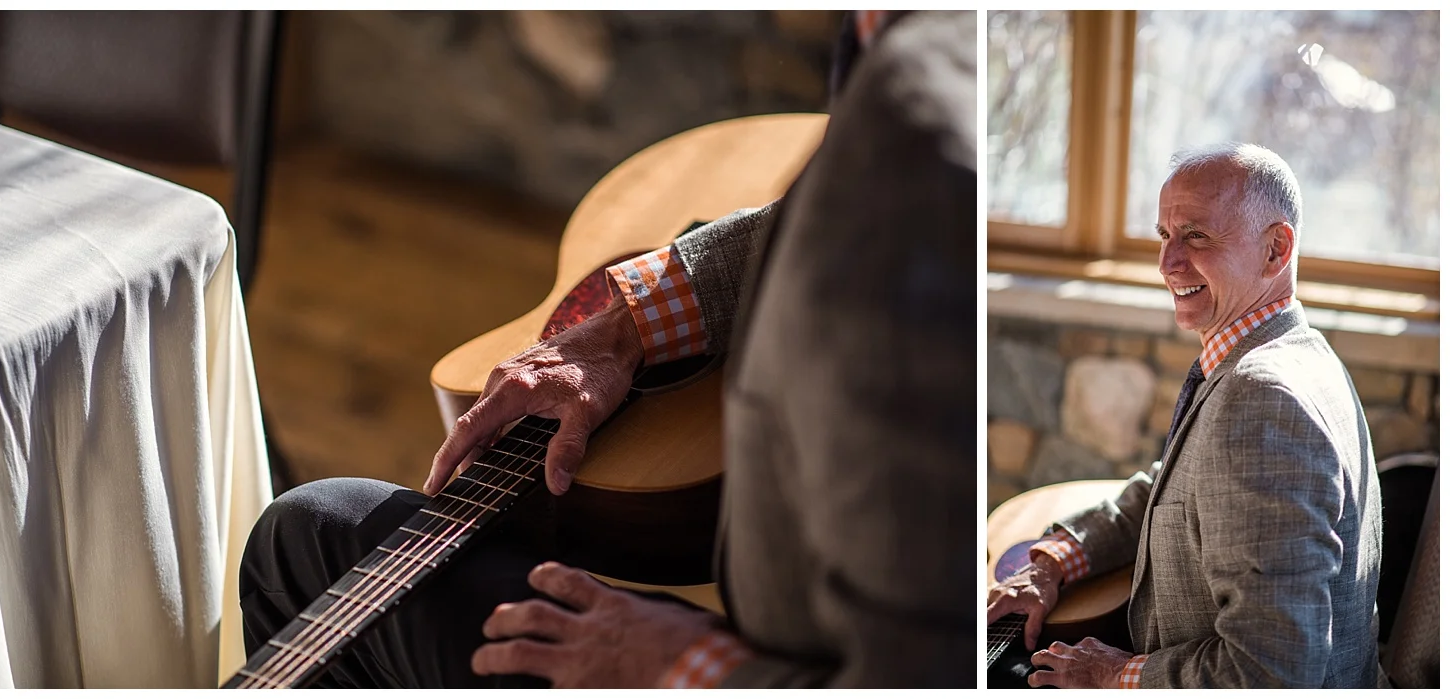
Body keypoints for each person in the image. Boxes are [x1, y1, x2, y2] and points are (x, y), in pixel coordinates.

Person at [238, 9, 975, 688]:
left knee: (299, 548)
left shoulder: (917, 136)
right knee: (312, 526)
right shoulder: (912, 61)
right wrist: (632, 323)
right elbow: (812, 226)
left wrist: (693, 663)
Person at [985, 143, 1384, 689]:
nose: (1169, 262)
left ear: (1276, 249)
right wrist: (1055, 558)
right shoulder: (1290, 353)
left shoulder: (1264, 400)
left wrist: (1112, 675)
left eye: (1196, 235)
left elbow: (1274, 673)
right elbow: (1171, 486)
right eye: (1164, 235)